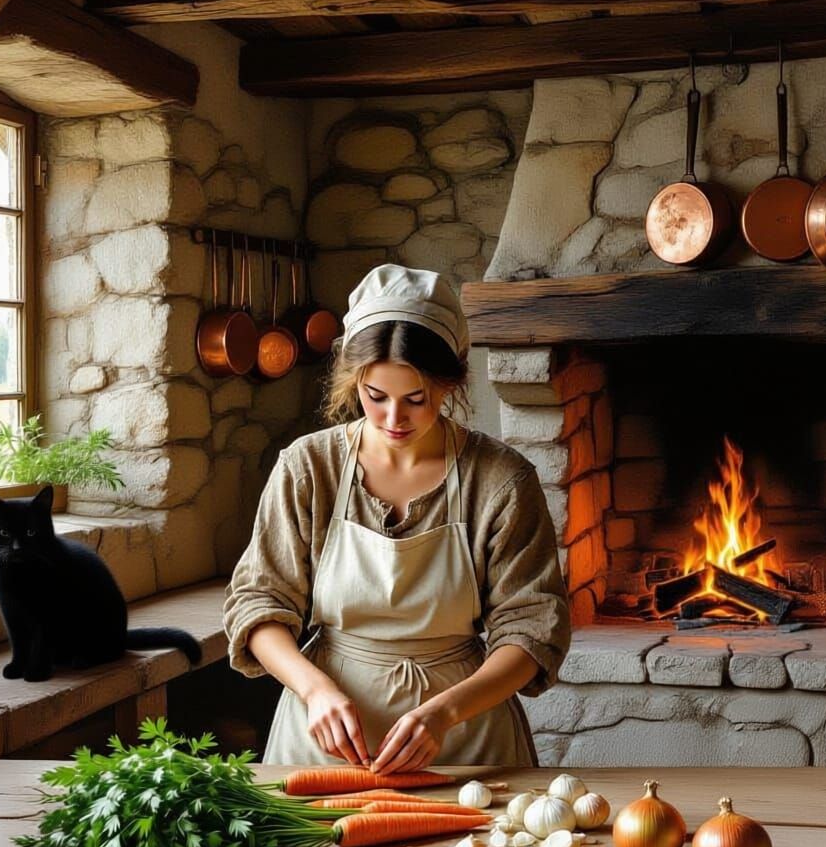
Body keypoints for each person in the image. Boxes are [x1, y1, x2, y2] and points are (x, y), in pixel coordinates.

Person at [223, 264, 569, 772]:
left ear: (450, 383)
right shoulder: (308, 467)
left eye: (416, 400)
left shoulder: (500, 479)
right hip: (324, 741)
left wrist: (447, 711)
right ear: (353, 380)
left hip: (467, 736)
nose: (392, 419)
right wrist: (314, 690)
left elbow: (532, 628)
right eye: (375, 397)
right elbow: (259, 604)